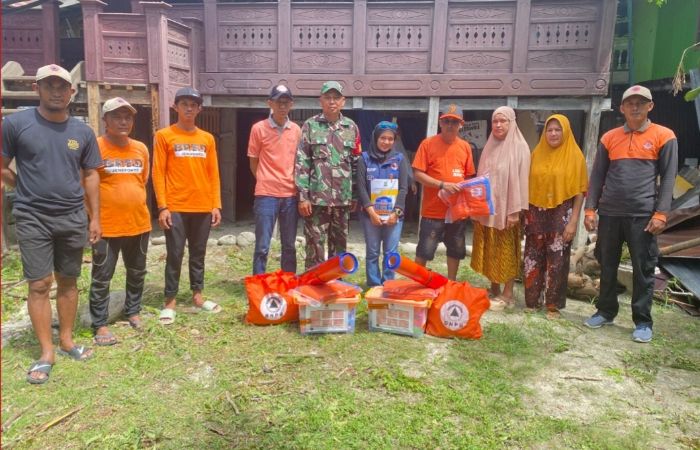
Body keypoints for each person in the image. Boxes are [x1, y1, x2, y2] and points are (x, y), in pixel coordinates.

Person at [2, 64, 102, 384]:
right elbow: (2, 165)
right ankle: (47, 352)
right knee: (39, 284)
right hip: (33, 216)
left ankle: (67, 341)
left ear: (72, 91)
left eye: (62, 87)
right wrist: (22, 186)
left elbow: (91, 174)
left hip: (72, 216)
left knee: (69, 280)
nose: (56, 92)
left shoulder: (82, 132)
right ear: (37, 88)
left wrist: (95, 217)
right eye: (49, 86)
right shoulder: (16, 124)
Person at [583, 85, 677, 343]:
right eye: (630, 103)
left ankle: (643, 321)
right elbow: (597, 176)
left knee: (643, 268)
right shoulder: (609, 138)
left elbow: (669, 177)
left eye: (640, 102)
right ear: (622, 108)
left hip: (643, 215)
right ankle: (605, 311)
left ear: (650, 106)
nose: (635, 107)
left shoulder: (664, 136)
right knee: (607, 264)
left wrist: (661, 213)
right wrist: (590, 209)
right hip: (610, 213)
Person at [152, 87, 223, 325]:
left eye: (193, 105)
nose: (189, 108)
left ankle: (198, 295)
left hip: (202, 206)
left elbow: (213, 174)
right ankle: (170, 301)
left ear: (199, 109)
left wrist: (216, 205)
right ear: (176, 107)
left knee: (198, 253)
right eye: (184, 104)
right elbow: (158, 172)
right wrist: (163, 206)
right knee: (175, 253)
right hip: (176, 206)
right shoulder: (164, 136)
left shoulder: (207, 138)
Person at [89, 98, 151, 345]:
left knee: (137, 271)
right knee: (102, 276)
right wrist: (93, 219)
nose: (123, 121)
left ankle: (133, 311)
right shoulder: (95, 147)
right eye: (116, 116)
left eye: (128, 117)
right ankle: (100, 323)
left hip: (138, 222)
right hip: (106, 226)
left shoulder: (141, 148)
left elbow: (142, 180)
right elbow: (86, 185)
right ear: (105, 120)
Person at [523, 114, 588, 319]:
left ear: (566, 132)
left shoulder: (575, 156)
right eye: (549, 130)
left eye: (557, 130)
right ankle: (532, 301)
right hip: (536, 213)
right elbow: (527, 185)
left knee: (557, 260)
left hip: (561, 215)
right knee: (532, 257)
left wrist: (574, 222)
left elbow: (580, 192)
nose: (553, 134)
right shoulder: (536, 154)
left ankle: (552, 305)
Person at [296, 81, 361, 269]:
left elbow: (356, 163)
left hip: (342, 199)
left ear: (343, 101)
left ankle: (335, 282)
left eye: (336, 98)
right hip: (317, 199)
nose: (332, 101)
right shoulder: (310, 125)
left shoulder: (351, 127)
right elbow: (302, 162)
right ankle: (313, 283)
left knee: (339, 245)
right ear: (321, 101)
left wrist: (355, 195)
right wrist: (303, 197)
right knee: (314, 244)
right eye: (328, 97)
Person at [471, 106, 530, 310]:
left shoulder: (520, 147)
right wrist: (476, 206)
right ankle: (494, 287)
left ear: (511, 123)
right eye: (495, 121)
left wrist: (515, 210)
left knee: (506, 251)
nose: (498, 125)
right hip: (488, 209)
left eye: (503, 121)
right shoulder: (490, 146)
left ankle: (508, 293)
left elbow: (522, 181)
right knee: (491, 248)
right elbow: (481, 178)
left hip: (508, 210)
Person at [412, 105, 476, 280]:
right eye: (446, 121)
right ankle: (417, 284)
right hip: (433, 210)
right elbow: (417, 174)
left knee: (455, 249)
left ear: (461, 125)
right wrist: (442, 185)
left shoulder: (465, 147)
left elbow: (469, 176)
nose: (450, 125)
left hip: (456, 211)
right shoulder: (427, 144)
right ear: (440, 122)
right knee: (424, 250)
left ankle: (451, 283)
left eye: (454, 122)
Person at [248, 85, 302, 275]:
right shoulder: (258, 128)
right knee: (262, 245)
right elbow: (253, 161)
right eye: (278, 102)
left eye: (286, 102)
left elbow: (299, 161)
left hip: (290, 194)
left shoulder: (296, 130)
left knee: (289, 245)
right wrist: (265, 180)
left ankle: (288, 282)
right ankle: (258, 283)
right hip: (266, 195)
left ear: (291, 104)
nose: (282, 106)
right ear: (270, 103)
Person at [357, 121, 410, 286]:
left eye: (390, 139)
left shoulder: (399, 159)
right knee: (372, 252)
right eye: (383, 138)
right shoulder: (364, 159)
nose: (386, 142)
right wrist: (372, 213)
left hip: (394, 216)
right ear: (375, 138)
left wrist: (396, 213)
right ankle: (373, 285)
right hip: (370, 216)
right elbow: (361, 188)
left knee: (390, 252)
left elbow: (403, 188)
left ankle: (387, 285)